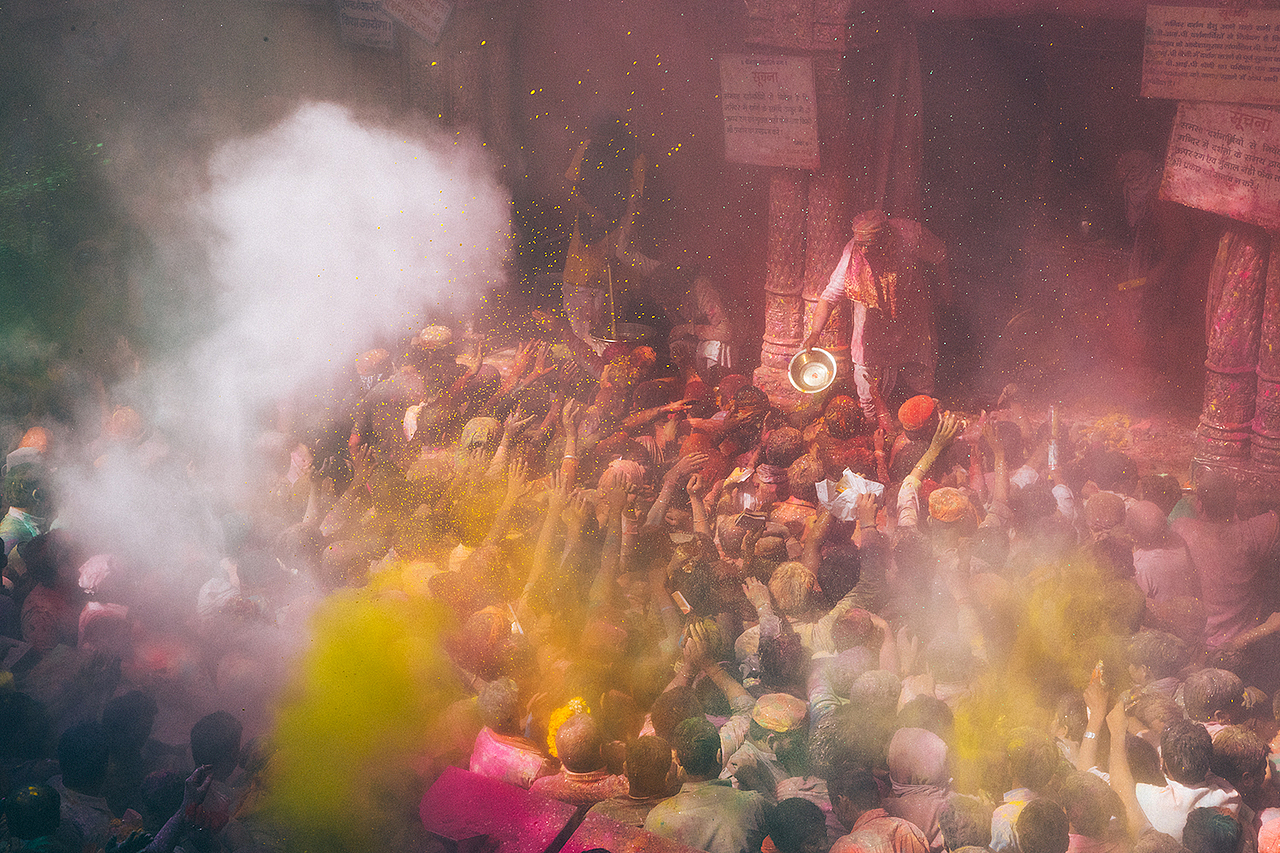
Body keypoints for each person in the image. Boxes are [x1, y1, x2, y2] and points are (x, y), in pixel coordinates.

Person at [802, 210, 949, 428]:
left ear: (885, 237)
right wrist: (815, 333)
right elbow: (829, 296)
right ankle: (874, 430)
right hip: (872, 329)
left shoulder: (909, 236)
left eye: (870, 244)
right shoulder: (853, 253)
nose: (865, 250)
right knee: (867, 388)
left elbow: (940, 254)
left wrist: (946, 288)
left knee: (920, 376)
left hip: (910, 318)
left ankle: (924, 425)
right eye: (861, 244)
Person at [645, 717, 769, 853]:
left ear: (678, 760)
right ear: (718, 755)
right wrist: (754, 781)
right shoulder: (751, 804)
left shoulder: (656, 818)